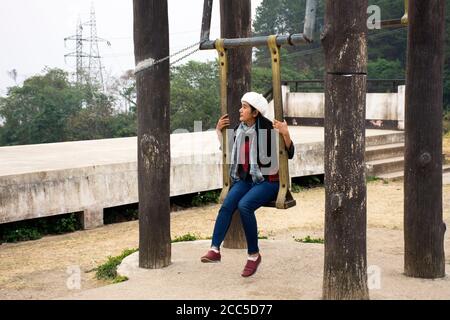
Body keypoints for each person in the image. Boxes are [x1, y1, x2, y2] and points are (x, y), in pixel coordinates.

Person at [200, 91, 295, 277]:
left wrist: (285, 133)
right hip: (246, 179)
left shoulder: (269, 129)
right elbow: (227, 149)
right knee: (227, 204)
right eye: (241, 106)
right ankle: (214, 250)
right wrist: (219, 130)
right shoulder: (240, 129)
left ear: (255, 112)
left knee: (244, 206)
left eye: (244, 107)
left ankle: (253, 255)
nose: (240, 110)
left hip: (268, 181)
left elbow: (289, 153)